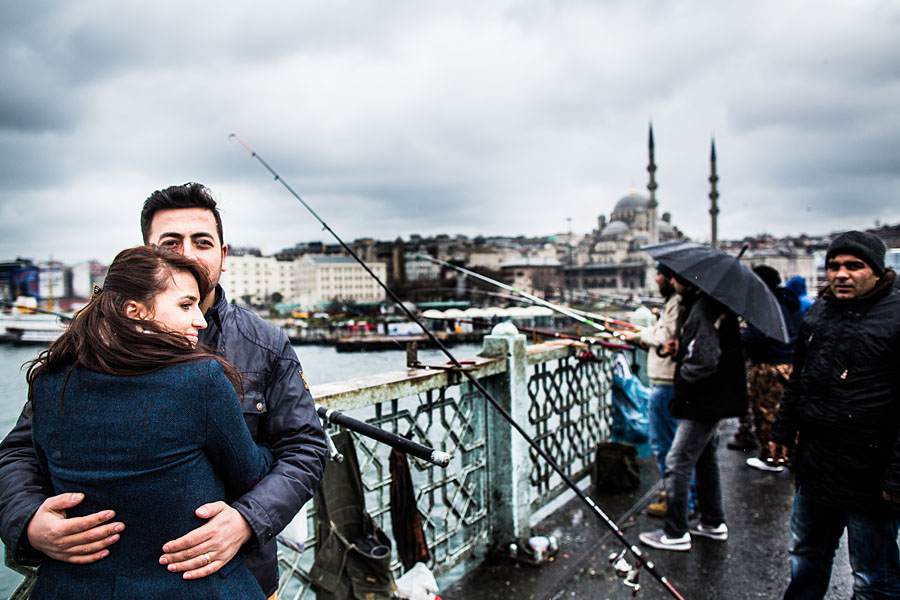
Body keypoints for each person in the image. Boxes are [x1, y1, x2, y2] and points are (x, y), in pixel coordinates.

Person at [0, 183, 329, 599]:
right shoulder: (82, 350)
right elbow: (19, 451)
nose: (187, 253)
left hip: (234, 571)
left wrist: (247, 520)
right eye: (171, 242)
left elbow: (305, 448)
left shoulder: (264, 344)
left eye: (202, 242)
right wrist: (28, 521)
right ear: (148, 253)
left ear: (223, 257)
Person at [28, 246, 272, 598]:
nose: (200, 321)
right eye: (186, 305)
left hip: (74, 586)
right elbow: (246, 472)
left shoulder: (50, 382)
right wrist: (269, 447)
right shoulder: (200, 379)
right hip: (189, 584)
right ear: (135, 312)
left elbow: (42, 470)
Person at [770, 231, 900, 599]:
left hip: (870, 473)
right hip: (816, 465)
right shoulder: (820, 312)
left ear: (876, 271)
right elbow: (799, 380)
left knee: (874, 577)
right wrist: (782, 430)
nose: (841, 274)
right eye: (834, 266)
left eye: (853, 266)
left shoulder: (895, 317)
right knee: (807, 555)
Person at [639, 274, 747, 551]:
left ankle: (675, 533)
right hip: (717, 398)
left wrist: (683, 382)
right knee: (705, 458)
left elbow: (704, 360)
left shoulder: (702, 309)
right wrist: (683, 346)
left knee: (678, 460)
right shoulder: (711, 305)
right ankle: (713, 522)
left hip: (703, 400)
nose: (672, 282)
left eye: (676, 278)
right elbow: (705, 347)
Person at [621, 264, 682, 516]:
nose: (655, 279)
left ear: (672, 277)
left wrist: (638, 337)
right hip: (668, 381)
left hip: (667, 383)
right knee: (676, 446)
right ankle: (682, 498)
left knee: (667, 446)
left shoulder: (677, 303)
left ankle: (676, 503)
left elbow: (664, 335)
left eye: (659, 274)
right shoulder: (676, 302)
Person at [741, 266, 803, 472]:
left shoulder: (765, 305)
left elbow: (758, 336)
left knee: (766, 412)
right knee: (783, 410)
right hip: (788, 361)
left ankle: (772, 458)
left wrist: (737, 337)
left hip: (769, 365)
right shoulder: (788, 299)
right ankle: (788, 454)